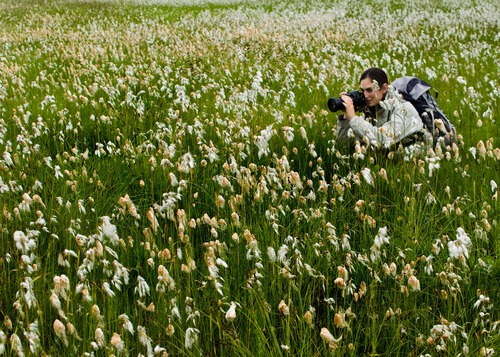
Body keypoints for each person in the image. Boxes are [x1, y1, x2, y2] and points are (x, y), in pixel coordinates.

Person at [336, 67, 429, 149]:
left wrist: (353, 119)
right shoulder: (370, 109)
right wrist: (346, 118)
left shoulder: (404, 108)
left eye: (369, 90)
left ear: (384, 88)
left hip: (414, 162)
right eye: (362, 90)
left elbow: (384, 139)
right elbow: (345, 146)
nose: (365, 95)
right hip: (386, 162)